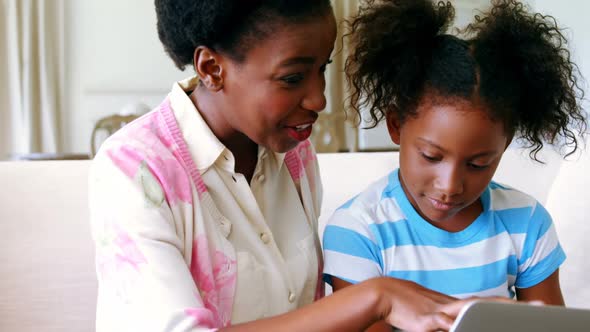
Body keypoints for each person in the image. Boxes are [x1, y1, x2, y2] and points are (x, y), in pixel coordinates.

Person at [88, 1, 483, 331]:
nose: (318, 99)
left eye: (322, 69)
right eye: (293, 77)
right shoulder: (134, 169)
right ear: (211, 69)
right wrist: (375, 296)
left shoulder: (294, 152)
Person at [322, 0, 586, 331]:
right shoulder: (359, 229)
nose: (450, 186)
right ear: (395, 125)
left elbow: (551, 327)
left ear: (505, 145)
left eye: (478, 164)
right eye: (431, 157)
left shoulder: (526, 222)